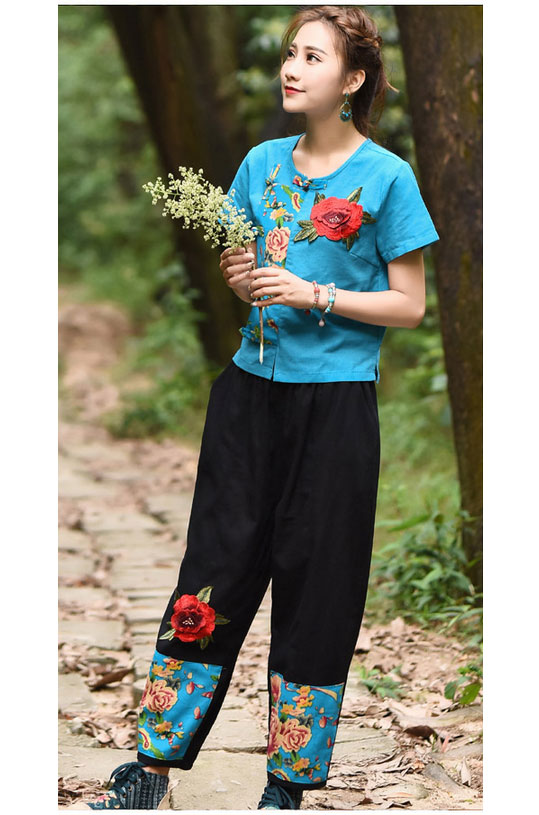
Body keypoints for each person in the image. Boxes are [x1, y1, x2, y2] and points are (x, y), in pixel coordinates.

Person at [80, 5, 439, 811]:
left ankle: (285, 786)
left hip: (335, 409)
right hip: (247, 397)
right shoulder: (261, 163)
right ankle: (151, 768)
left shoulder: (388, 178)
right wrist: (241, 275)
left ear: (352, 79)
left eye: (313, 57)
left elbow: (410, 305)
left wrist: (317, 293)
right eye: (289, 53)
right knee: (210, 574)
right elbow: (240, 261)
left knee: (318, 587)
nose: (291, 68)